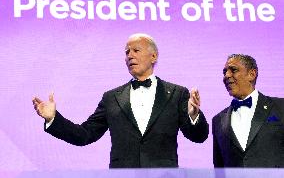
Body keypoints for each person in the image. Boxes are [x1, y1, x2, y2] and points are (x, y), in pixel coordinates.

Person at [32, 33, 209, 168]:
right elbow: (84, 135)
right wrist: (53, 119)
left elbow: (198, 137)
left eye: (136, 50)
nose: (129, 55)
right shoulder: (111, 98)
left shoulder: (177, 93)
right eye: (127, 52)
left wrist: (194, 116)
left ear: (153, 56)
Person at [212, 54, 284, 167]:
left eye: (233, 70)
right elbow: (219, 168)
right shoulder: (218, 120)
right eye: (224, 72)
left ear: (252, 74)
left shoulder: (281, 107)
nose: (227, 75)